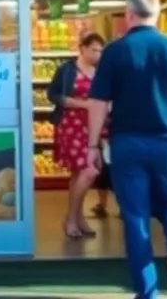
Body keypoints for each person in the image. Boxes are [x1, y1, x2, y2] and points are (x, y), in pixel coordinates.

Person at [87, 0, 167, 299]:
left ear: (128, 16)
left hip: (128, 145)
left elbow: (98, 103)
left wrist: (92, 146)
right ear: (159, 16)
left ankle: (147, 292)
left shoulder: (115, 51)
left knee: (135, 216)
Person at [47, 32, 111, 237]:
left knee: (79, 173)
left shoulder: (102, 71)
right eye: (94, 50)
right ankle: (72, 218)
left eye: (101, 50)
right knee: (88, 170)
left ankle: (77, 217)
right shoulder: (67, 70)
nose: (98, 54)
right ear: (82, 48)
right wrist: (80, 104)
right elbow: (53, 94)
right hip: (72, 125)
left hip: (95, 127)